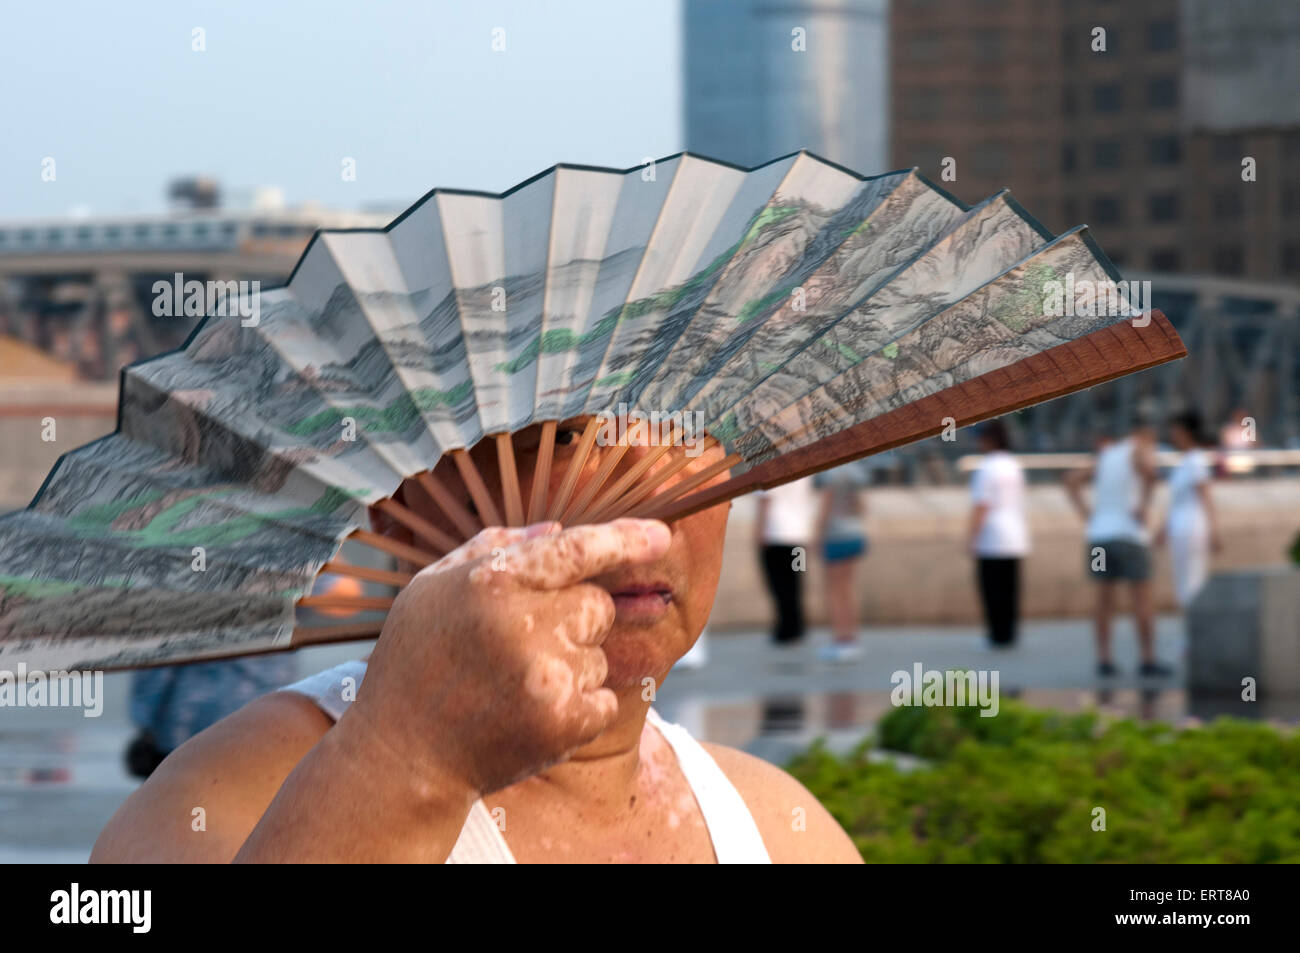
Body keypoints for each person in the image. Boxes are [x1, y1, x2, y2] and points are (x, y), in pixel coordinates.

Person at [91, 421, 862, 864]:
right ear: (401, 510)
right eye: (568, 435)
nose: (649, 504)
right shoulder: (221, 799)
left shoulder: (778, 827)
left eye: (685, 431)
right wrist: (405, 759)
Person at [1065, 420, 1171, 678]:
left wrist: (1088, 514)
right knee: (1142, 599)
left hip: (1099, 536)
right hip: (1129, 535)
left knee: (1103, 601)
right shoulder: (1138, 448)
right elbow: (1150, 474)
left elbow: (1071, 480)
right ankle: (1147, 659)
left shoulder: (1107, 455)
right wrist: (1144, 505)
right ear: (1145, 435)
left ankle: (1104, 659)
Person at [126, 656, 298, 778]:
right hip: (266, 722)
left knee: (178, 813)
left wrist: (145, 723)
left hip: (188, 728)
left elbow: (158, 662)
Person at [966, 420, 1028, 648]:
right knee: (1011, 589)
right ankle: (1009, 633)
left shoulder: (986, 467)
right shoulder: (1014, 465)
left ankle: (995, 635)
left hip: (992, 538)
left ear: (988, 440)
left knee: (992, 589)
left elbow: (982, 505)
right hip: (1015, 536)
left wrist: (971, 537)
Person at [1155, 411, 1220, 608]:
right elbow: (1177, 502)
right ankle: (1189, 633)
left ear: (1186, 432)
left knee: (1192, 583)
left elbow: (1206, 498)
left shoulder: (1196, 461)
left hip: (1191, 529)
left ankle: (1195, 633)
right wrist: (1164, 529)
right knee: (1183, 584)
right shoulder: (1184, 462)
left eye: (1176, 430)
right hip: (1180, 529)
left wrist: (1214, 531)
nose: (1172, 434)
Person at [812, 461, 871, 662]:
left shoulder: (832, 472)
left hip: (835, 535)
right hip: (855, 532)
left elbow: (825, 508)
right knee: (848, 589)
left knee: (834, 590)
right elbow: (863, 507)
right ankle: (851, 638)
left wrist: (816, 537)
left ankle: (840, 639)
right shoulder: (856, 470)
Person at [755, 475, 817, 647]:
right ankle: (797, 627)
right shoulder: (803, 470)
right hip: (799, 537)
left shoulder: (772, 468)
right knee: (796, 583)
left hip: (775, 536)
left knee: (779, 585)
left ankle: (786, 629)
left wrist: (759, 532)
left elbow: (766, 500)